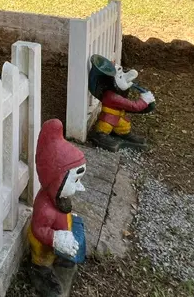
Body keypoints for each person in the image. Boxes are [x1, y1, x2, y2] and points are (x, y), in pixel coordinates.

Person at [28, 119, 87, 296]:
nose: (79, 186)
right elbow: (38, 229)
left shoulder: (60, 198)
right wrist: (55, 238)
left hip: (60, 238)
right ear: (56, 180)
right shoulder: (45, 207)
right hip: (45, 247)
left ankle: (62, 258)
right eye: (75, 180)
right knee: (43, 261)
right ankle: (39, 271)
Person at [88, 54, 155, 151]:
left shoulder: (117, 93)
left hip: (119, 117)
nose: (124, 76)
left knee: (123, 126)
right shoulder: (112, 96)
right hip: (109, 119)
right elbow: (132, 106)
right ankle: (101, 135)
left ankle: (123, 133)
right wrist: (144, 101)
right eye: (121, 76)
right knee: (105, 126)